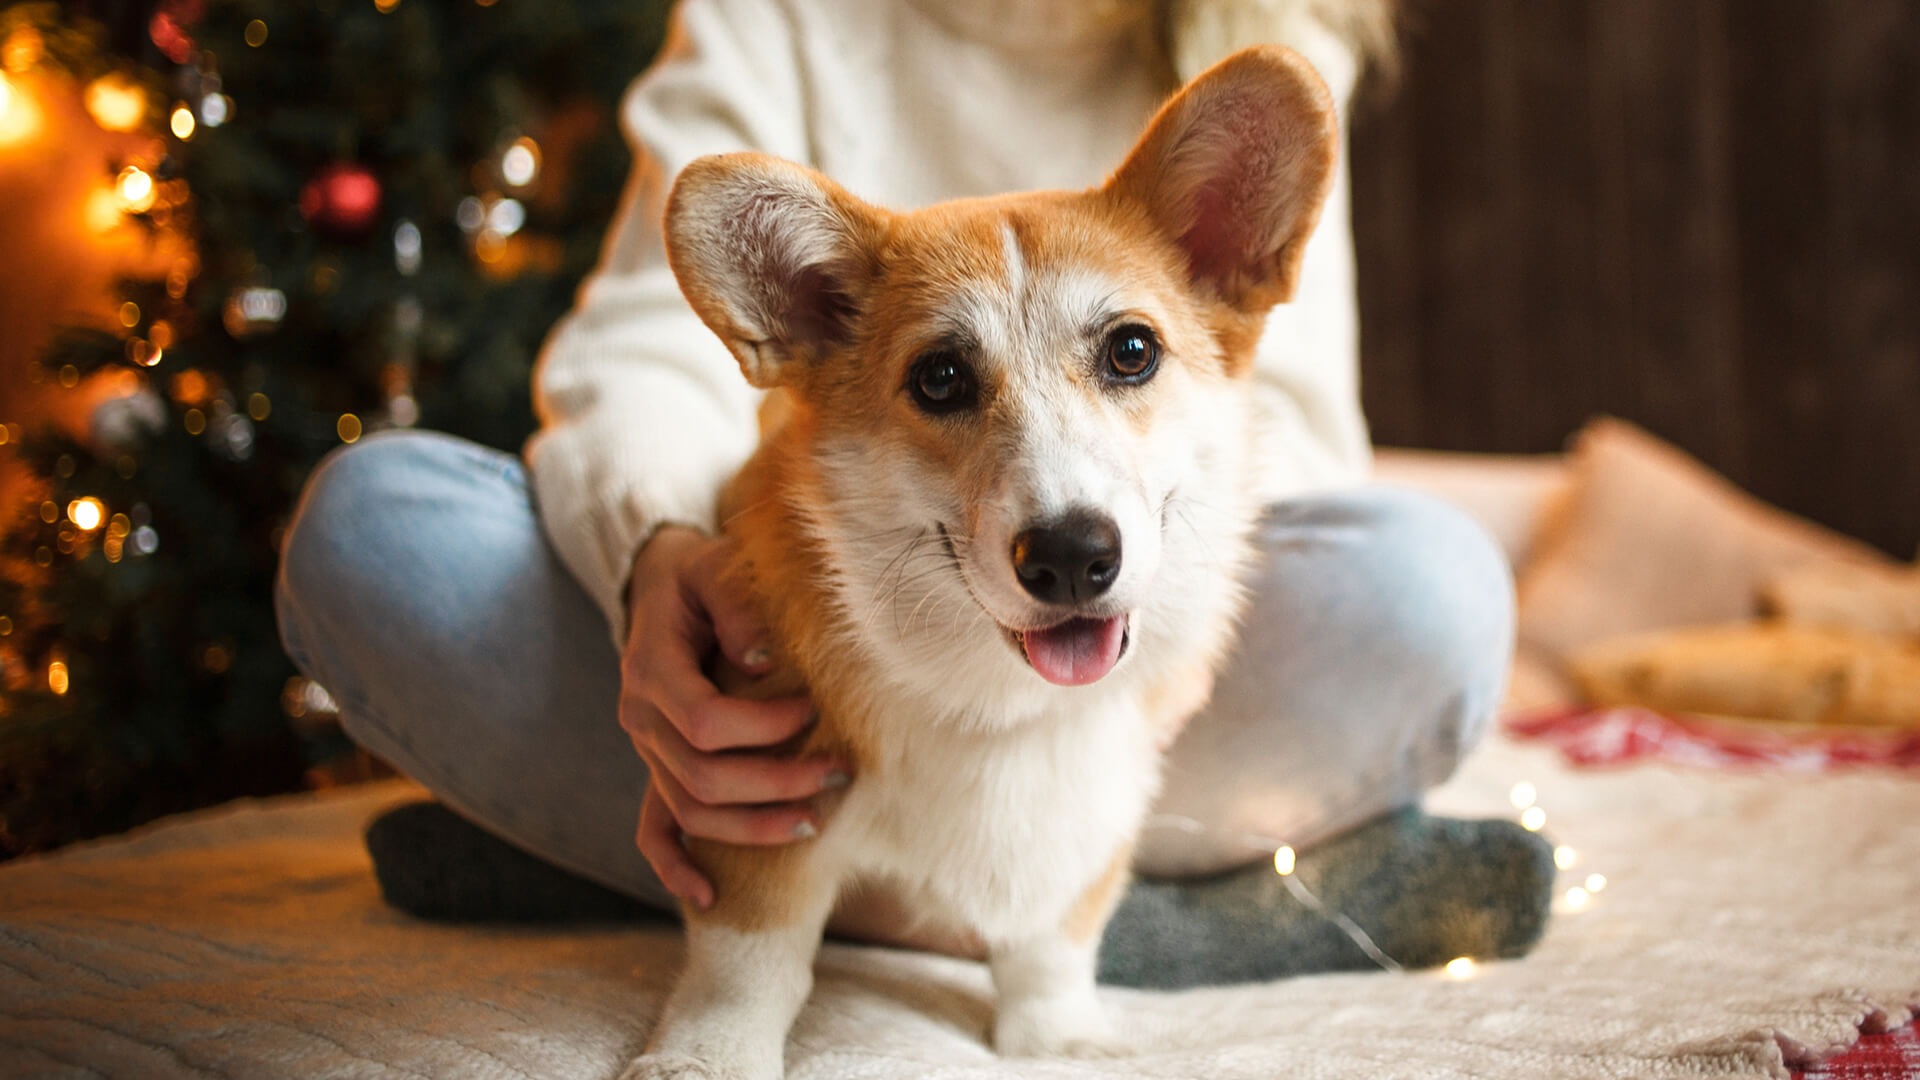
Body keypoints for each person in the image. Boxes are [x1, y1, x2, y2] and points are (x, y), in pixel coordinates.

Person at [275, 0, 1553, 987]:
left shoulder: (1263, 24)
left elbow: (1302, 444)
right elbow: (645, 353)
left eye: (1126, 354)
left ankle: (690, 881)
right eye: (947, 376)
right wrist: (653, 561)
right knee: (374, 531)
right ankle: (1208, 914)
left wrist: (1151, 680)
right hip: (807, 668)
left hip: (1134, 711)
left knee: (1431, 592)